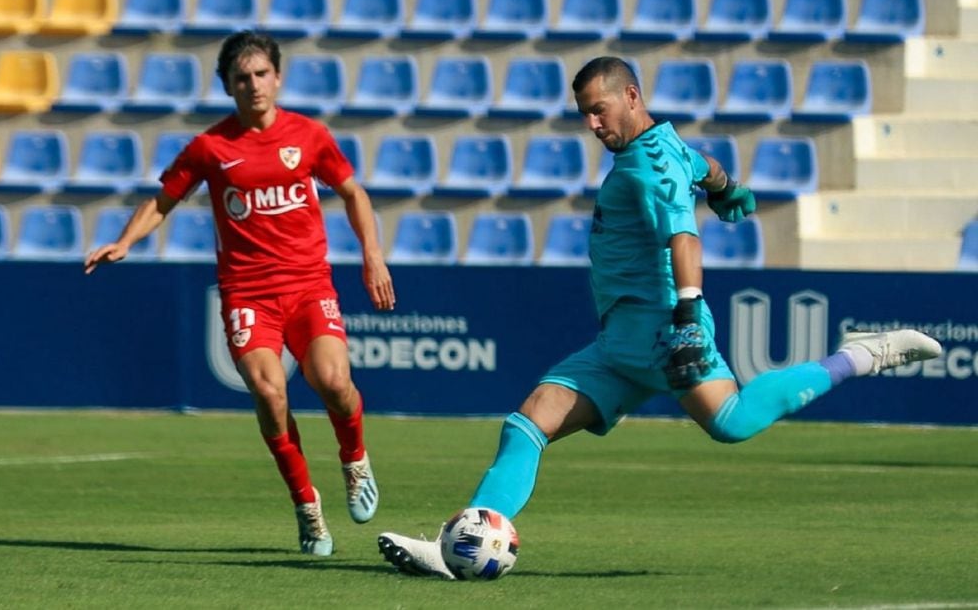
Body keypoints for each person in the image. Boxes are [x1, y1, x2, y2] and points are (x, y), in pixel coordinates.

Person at [376, 56, 942, 579]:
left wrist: (691, 309)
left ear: (631, 95)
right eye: (584, 115)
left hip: (663, 331)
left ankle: (863, 354)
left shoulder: (648, 166)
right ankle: (462, 545)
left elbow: (682, 233)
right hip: (617, 342)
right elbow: (704, 165)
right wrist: (728, 188)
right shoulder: (662, 145)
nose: (593, 125)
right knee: (526, 424)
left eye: (599, 110)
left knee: (733, 423)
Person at [85, 31, 395, 557]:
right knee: (270, 394)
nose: (253, 85)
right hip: (247, 292)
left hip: (307, 284)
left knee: (334, 382)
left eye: (261, 74)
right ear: (228, 86)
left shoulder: (309, 136)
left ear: (278, 77)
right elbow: (163, 201)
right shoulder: (211, 147)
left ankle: (355, 459)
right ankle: (306, 506)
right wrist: (124, 241)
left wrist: (373, 256)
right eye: (242, 78)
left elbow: (352, 192)